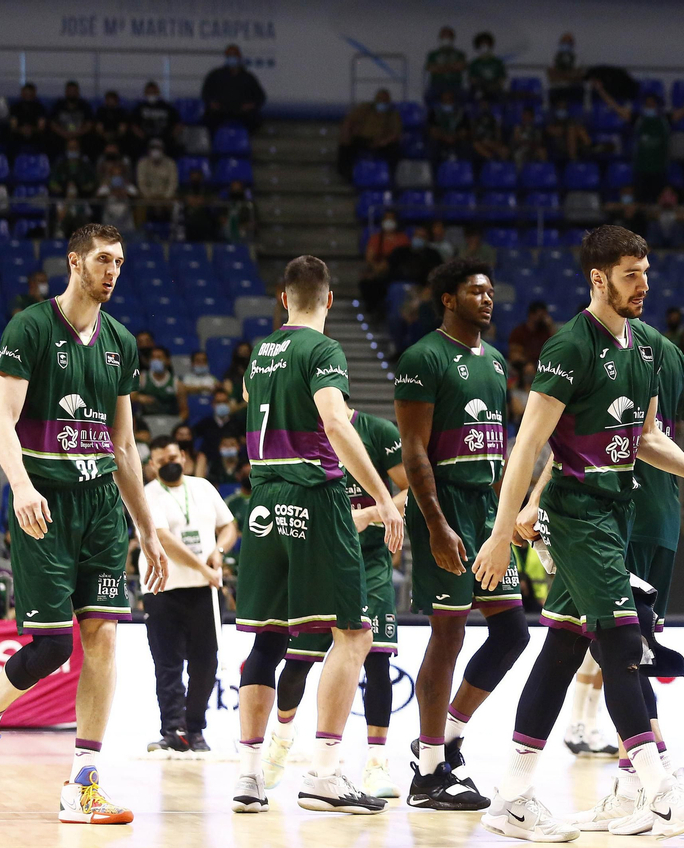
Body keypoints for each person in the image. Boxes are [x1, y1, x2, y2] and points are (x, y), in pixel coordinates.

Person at [469, 225, 684, 841]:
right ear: (598, 279)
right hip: (576, 513)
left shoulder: (646, 345)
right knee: (621, 644)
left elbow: (645, 439)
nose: (644, 285)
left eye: (646, 273)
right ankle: (659, 788)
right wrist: (500, 528)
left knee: (563, 648)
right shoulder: (569, 346)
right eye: (631, 275)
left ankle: (511, 797)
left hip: (618, 512)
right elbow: (529, 443)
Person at [0, 224, 170, 824]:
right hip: (44, 500)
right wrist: (20, 486)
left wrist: (146, 529)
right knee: (50, 646)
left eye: (120, 261)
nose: (112, 270)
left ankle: (83, 783)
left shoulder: (121, 340)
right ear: (75, 262)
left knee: (103, 636)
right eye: (103, 259)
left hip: (101, 508)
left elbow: (124, 446)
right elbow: (1, 418)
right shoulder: (31, 327)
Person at [227, 256, 404, 816]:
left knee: (267, 641)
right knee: (354, 636)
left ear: (283, 299)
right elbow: (334, 420)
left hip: (263, 502)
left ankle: (250, 778)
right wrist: (380, 496)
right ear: (329, 301)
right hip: (314, 494)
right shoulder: (323, 351)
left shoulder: (262, 352)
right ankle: (325, 776)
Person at [558, 305, 684, 828]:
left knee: (616, 650)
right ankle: (635, 785)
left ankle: (654, 781)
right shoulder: (671, 354)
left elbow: (567, 441)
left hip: (615, 513)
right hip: (662, 519)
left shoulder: (613, 347)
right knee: (627, 649)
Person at [390, 258, 529, 811]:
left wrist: (508, 518)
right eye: (476, 291)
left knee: (513, 632)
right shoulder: (422, 357)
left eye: (491, 291)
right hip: (445, 509)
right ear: (448, 299)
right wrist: (437, 524)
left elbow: (494, 449)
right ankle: (427, 776)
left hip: (483, 510)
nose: (488, 299)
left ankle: (445, 739)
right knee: (448, 636)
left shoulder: (496, 363)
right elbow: (414, 450)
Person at [263, 407, 407, 798]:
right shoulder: (297, 430)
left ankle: (376, 762)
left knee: (376, 658)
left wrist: (371, 513)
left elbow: (411, 490)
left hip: (369, 561)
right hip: (317, 558)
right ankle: (282, 736)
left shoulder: (376, 431)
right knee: (297, 664)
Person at [142, 435, 237, 754]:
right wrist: (203, 567)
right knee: (167, 665)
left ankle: (195, 730)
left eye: (172, 456)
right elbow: (164, 539)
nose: (168, 463)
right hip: (163, 589)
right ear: (152, 465)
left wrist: (219, 553)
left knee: (205, 664)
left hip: (204, 593)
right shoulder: (147, 494)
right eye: (160, 460)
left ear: (182, 456)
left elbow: (229, 526)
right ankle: (173, 730)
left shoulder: (204, 487)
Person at [201, 44, 265, 132]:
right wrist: (211, 103)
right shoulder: (215, 75)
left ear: (239, 57)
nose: (232, 58)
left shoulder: (248, 77)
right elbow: (205, 94)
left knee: (254, 119)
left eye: (234, 55)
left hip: (242, 112)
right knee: (208, 118)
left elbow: (260, 97)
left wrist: (251, 105)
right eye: (229, 55)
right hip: (220, 111)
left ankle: (244, 141)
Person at [191, 388, 246, 466]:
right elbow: (192, 437)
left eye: (224, 402)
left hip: (234, 464)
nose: (222, 405)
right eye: (218, 402)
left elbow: (245, 442)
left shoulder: (237, 423)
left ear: (228, 403)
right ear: (213, 404)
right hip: (209, 463)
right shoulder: (205, 423)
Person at [131, 81, 183, 157]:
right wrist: (143, 137)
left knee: (175, 150)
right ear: (145, 93)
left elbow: (179, 124)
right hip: (145, 139)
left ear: (158, 92)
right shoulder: (139, 108)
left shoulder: (167, 107)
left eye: (153, 92)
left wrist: (170, 137)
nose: (151, 94)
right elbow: (133, 125)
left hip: (165, 139)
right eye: (149, 92)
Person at [49, 80, 98, 159]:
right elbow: (52, 123)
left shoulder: (84, 105)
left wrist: (77, 133)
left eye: (74, 91)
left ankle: (87, 162)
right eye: (70, 91)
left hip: (80, 135)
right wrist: (64, 133)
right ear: (66, 92)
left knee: (91, 140)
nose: (72, 93)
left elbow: (89, 124)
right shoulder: (58, 105)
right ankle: (56, 163)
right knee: (51, 139)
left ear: (78, 92)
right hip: (62, 135)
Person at [136, 140, 178, 230]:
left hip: (166, 197)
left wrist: (165, 197)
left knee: (176, 205)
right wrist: (149, 197)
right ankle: (139, 232)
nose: (155, 151)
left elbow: (172, 184)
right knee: (138, 205)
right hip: (148, 197)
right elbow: (141, 184)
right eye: (153, 148)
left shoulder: (170, 163)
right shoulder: (142, 163)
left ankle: (175, 232)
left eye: (158, 148)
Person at [133, 345, 180, 416]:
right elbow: (130, 396)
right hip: (145, 419)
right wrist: (139, 398)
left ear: (167, 360)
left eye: (159, 358)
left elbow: (184, 410)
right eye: (153, 357)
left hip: (169, 419)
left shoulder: (176, 383)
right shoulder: (141, 378)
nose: (155, 360)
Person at [425, 27, 468, 101]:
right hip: (437, 85)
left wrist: (441, 67)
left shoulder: (459, 54)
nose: (446, 39)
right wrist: (452, 67)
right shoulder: (433, 54)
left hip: (455, 85)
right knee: (428, 96)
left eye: (448, 37)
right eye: (444, 36)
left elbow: (461, 67)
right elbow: (431, 68)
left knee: (464, 96)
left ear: (452, 39)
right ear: (440, 38)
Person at [7, 82, 49, 155]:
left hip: (35, 134)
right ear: (22, 93)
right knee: (9, 137)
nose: (28, 95)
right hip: (18, 133)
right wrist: (22, 130)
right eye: (26, 93)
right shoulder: (15, 107)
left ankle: (43, 162)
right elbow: (13, 125)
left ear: (34, 93)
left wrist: (31, 129)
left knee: (46, 138)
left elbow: (41, 126)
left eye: (30, 93)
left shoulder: (40, 107)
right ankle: (12, 164)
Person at [546, 33, 584, 109]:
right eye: (564, 42)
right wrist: (570, 75)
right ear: (560, 43)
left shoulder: (578, 58)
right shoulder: (552, 57)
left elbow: (579, 77)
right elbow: (552, 77)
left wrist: (559, 74)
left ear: (572, 44)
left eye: (568, 42)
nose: (566, 44)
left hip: (573, 89)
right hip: (557, 89)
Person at [468, 32, 507, 102]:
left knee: (501, 97)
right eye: (482, 43)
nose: (484, 45)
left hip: (495, 90)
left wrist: (492, 87)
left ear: (490, 45)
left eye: (486, 43)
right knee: (476, 95)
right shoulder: (475, 63)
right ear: (478, 46)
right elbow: (472, 80)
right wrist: (483, 87)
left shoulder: (497, 62)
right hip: (479, 89)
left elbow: (502, 80)